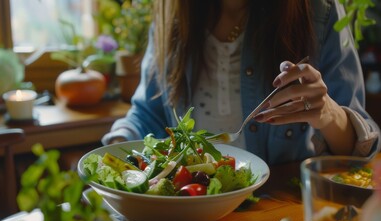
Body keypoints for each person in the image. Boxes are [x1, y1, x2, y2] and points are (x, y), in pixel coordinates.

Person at [102, 0, 381, 165]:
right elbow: (148, 114)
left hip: (278, 208)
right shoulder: (173, 13)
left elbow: (359, 151)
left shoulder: (320, 11)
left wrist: (328, 114)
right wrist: (114, 149)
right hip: (186, 208)